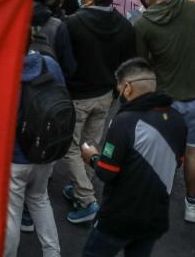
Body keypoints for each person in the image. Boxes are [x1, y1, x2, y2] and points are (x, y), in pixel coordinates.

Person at [80, 58, 186, 257]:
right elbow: (177, 163)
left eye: (119, 88)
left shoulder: (124, 121)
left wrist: (92, 157)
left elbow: (107, 172)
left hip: (118, 218)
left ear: (127, 88)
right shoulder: (177, 120)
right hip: (154, 217)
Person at [133, 0, 195, 222]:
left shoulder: (142, 24)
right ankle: (193, 204)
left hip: (165, 99)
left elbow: (140, 65)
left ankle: (158, 198)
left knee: (162, 152)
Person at [61, 0, 136, 224]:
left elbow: (66, 61)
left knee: (70, 147)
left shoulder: (73, 23)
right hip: (105, 96)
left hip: (78, 96)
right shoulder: (125, 27)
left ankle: (86, 197)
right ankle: (82, 183)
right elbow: (127, 65)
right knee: (90, 144)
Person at [3, 44, 63, 257]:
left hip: (16, 157)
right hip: (47, 150)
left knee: (12, 214)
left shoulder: (6, 71)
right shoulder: (51, 65)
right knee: (40, 199)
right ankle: (52, 252)